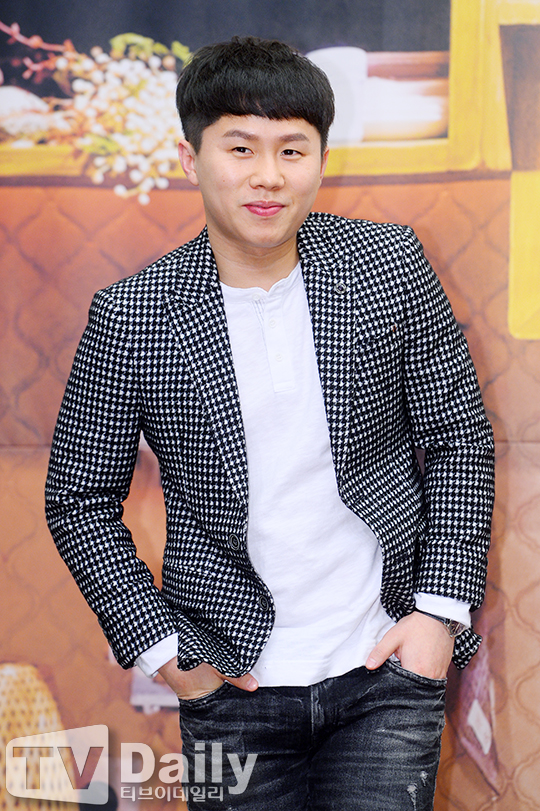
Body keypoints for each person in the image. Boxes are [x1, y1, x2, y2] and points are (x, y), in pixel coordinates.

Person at [45, 36, 495, 811]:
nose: (268, 175)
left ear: (321, 159)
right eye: (240, 147)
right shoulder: (133, 314)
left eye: (292, 149)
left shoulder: (387, 264)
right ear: (191, 159)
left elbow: (459, 437)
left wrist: (436, 614)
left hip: (385, 667)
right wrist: (165, 651)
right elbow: (78, 500)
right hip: (229, 687)